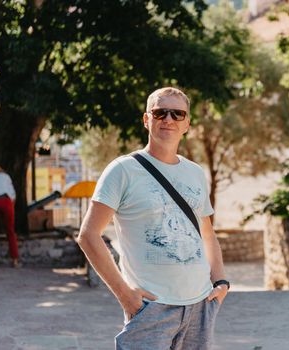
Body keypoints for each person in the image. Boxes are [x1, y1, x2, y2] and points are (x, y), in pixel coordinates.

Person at [78, 87, 229, 350]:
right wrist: (126, 296)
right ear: (147, 120)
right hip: (151, 308)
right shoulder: (122, 170)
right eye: (160, 113)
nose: (168, 119)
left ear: (187, 124)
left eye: (177, 114)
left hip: (200, 306)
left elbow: (207, 234)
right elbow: (88, 236)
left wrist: (221, 282)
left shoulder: (194, 172)